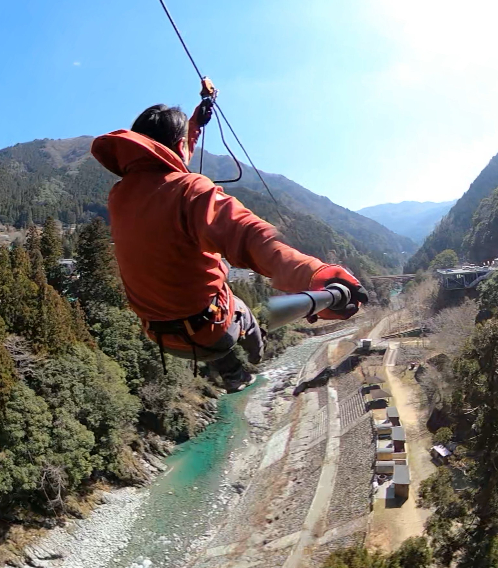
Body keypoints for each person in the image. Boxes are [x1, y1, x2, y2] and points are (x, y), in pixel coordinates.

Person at [90, 92, 367, 390]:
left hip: (158, 333)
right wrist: (312, 273)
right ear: (179, 145)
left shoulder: (119, 195)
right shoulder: (191, 190)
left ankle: (233, 372)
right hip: (210, 329)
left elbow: (165, 162)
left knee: (201, 308)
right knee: (238, 307)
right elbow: (249, 236)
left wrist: (195, 123)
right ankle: (257, 352)